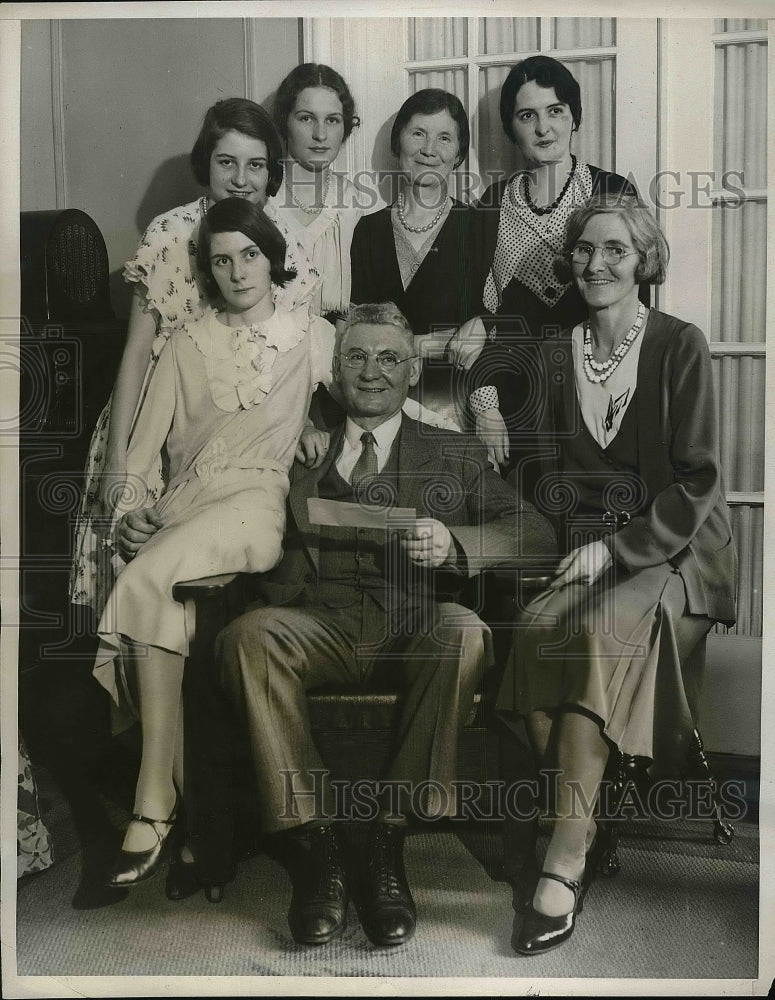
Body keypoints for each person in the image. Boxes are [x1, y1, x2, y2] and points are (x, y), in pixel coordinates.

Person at [191, 301, 555, 948]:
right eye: (356, 356)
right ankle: (317, 846)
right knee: (246, 637)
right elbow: (222, 511)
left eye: (389, 357)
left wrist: (457, 544)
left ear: (412, 374)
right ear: (333, 375)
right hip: (317, 624)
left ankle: (388, 838)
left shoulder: (453, 452)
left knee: (464, 630)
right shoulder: (295, 451)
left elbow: (536, 532)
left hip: (413, 624)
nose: (372, 371)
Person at [497, 197, 737, 955]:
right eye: (582, 251)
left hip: (677, 547)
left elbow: (697, 480)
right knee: (534, 636)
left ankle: (563, 858)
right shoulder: (550, 353)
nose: (594, 265)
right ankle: (589, 811)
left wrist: (612, 551)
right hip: (589, 550)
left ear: (642, 262)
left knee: (599, 637)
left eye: (614, 251)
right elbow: (545, 480)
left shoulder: (678, 345)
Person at [96, 198, 335, 890]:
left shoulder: (308, 336)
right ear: (206, 269)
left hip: (254, 509)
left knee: (143, 583)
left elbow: (381, 385)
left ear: (272, 257)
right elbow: (140, 458)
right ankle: (178, 809)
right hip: (183, 511)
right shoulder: (182, 344)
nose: (237, 273)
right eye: (221, 260)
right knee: (157, 592)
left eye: (249, 255)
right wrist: (131, 515)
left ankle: (153, 804)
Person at [70, 97, 318, 618]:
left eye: (256, 165)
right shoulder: (169, 233)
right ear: (206, 161)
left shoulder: (286, 239)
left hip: (232, 439)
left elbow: (295, 350)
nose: (241, 178)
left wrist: (307, 420)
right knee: (135, 568)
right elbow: (137, 353)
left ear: (271, 171)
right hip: (148, 423)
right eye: (227, 162)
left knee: (203, 585)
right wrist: (118, 458)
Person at [453, 56, 644, 478]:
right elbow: (472, 322)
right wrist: (485, 407)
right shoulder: (491, 203)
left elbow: (634, 312)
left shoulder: (611, 191)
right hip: (514, 408)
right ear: (511, 127)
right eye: (528, 115)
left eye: (555, 111)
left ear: (574, 117)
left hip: (597, 397)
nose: (543, 128)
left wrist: (493, 320)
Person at [350, 89, 474, 352]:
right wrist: (436, 342)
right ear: (397, 143)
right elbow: (358, 332)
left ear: (459, 155)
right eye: (418, 134)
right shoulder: (368, 231)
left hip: (456, 388)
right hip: (379, 388)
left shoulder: (477, 227)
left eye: (444, 138)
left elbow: (489, 324)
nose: (429, 150)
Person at [266, 62, 362, 322]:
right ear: (284, 121)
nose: (321, 134)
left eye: (332, 120)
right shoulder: (261, 197)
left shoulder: (354, 202)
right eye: (306, 118)